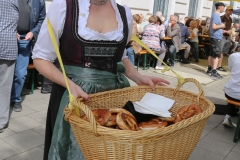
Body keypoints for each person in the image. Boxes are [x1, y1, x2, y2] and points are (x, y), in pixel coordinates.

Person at [32, 0, 170, 159]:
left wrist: (137, 76)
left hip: (113, 99)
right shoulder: (64, 6)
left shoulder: (123, 13)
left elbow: (120, 56)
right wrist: (69, 84)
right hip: (74, 97)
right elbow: (41, 58)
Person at [11, 0, 46, 112]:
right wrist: (10, 31)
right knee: (5, 73)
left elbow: (42, 19)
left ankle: (16, 99)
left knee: (20, 74)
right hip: (8, 39)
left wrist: (33, 32)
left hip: (25, 41)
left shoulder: (39, 1)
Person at [0, 0, 19, 133]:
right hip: (8, 45)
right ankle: (1, 121)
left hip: (7, 44)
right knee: (4, 88)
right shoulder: (15, 2)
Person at [207, 2, 225, 79]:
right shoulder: (216, 15)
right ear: (220, 7)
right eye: (223, 7)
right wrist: (222, 26)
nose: (224, 9)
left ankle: (210, 68)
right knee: (217, 55)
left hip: (214, 37)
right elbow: (214, 27)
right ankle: (214, 71)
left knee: (211, 54)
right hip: (216, 38)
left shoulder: (215, 15)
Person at [221, 52, 240, 127]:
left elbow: (230, 68)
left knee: (235, 92)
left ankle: (227, 116)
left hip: (230, 92)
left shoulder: (234, 56)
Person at [217, 5, 233, 72]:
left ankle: (219, 65)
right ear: (226, 10)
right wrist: (226, 31)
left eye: (231, 11)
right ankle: (217, 65)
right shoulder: (222, 18)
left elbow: (230, 27)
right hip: (222, 36)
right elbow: (219, 28)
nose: (230, 12)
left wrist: (230, 31)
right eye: (229, 10)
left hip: (227, 37)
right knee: (219, 51)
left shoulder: (230, 19)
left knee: (223, 52)